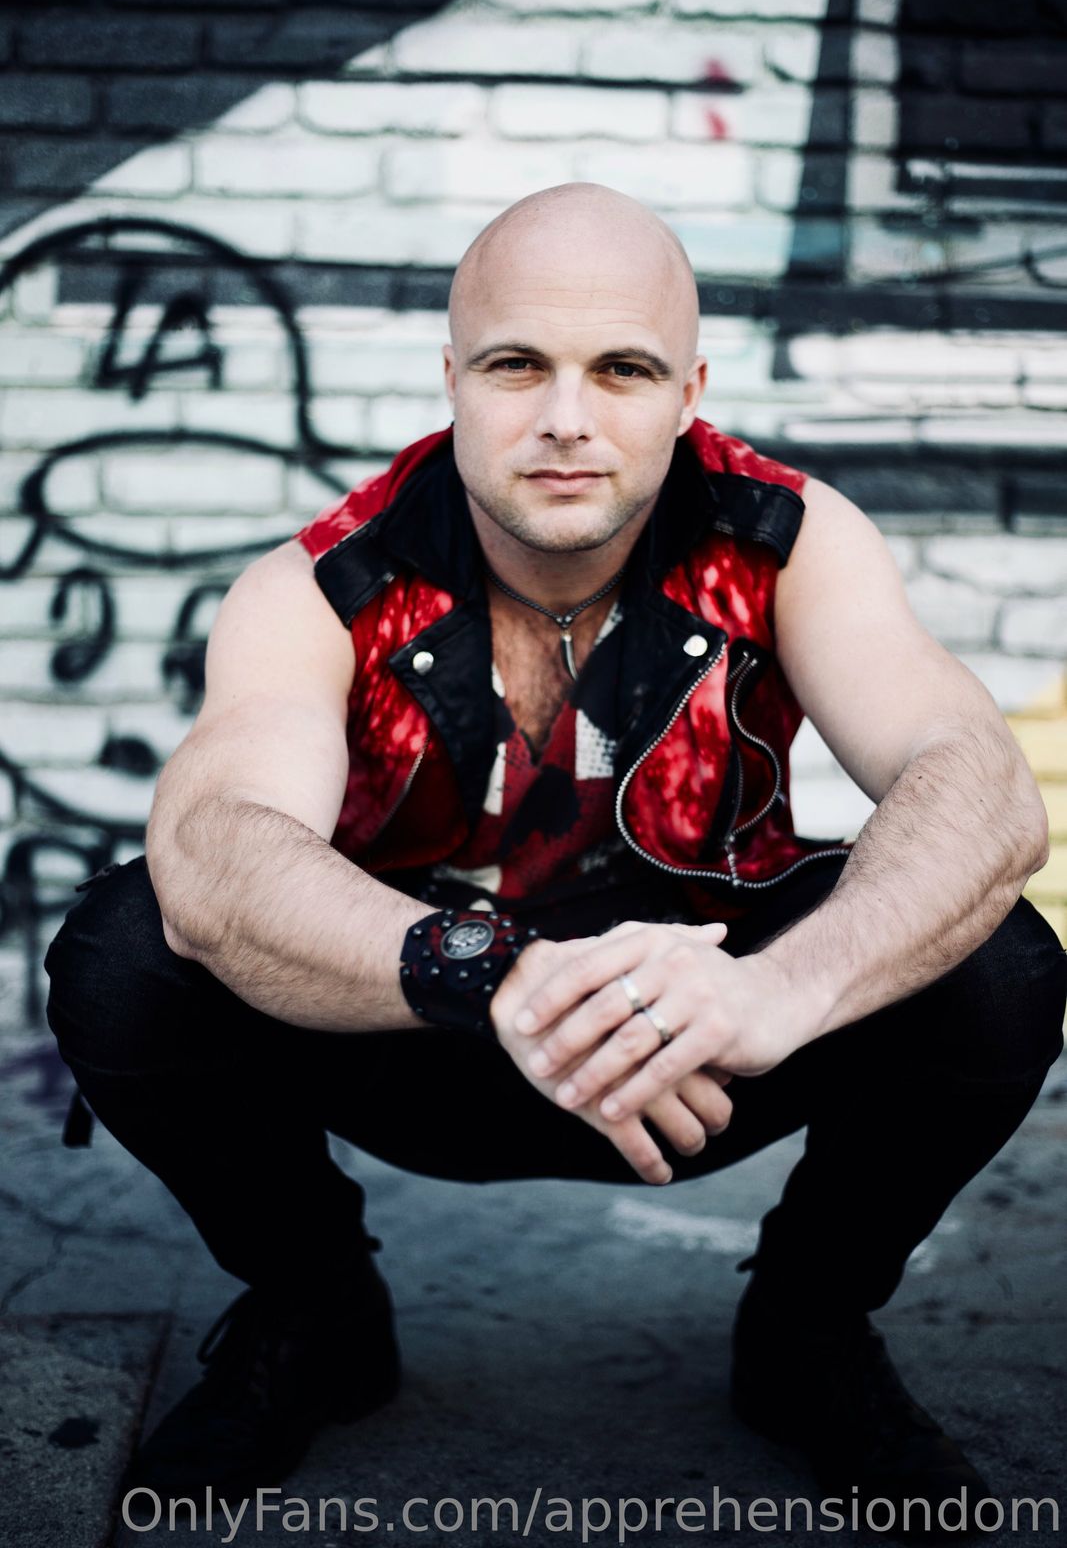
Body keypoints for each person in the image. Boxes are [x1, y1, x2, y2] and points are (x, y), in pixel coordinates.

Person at [45, 182, 1065, 1535]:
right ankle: (315, 1314)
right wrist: (495, 973)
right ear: (451, 378)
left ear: (689, 391)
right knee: (125, 954)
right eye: (517, 364)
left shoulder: (784, 539)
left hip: (708, 1035)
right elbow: (215, 852)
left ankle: (807, 1330)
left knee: (998, 963)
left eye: (623, 370)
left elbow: (979, 790)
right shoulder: (322, 586)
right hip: (423, 1029)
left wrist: (780, 991)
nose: (568, 417)